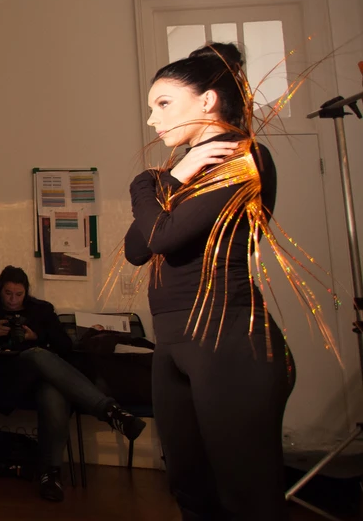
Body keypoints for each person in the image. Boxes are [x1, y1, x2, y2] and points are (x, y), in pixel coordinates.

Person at [126, 43, 291, 520]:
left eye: (163, 104)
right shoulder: (181, 171)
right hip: (173, 342)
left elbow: (160, 236)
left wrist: (146, 182)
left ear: (207, 100)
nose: (153, 120)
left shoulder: (242, 158)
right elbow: (137, 250)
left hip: (227, 339)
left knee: (246, 500)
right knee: (190, 491)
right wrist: (173, 177)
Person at [0, 266, 144, 502]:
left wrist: (37, 337)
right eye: (8, 293)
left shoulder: (41, 310)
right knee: (36, 356)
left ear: (26, 292)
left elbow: (65, 346)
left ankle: (50, 475)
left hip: (37, 384)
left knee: (52, 391)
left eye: (18, 294)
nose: (13, 300)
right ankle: (109, 410)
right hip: (2, 381)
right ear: (0, 290)